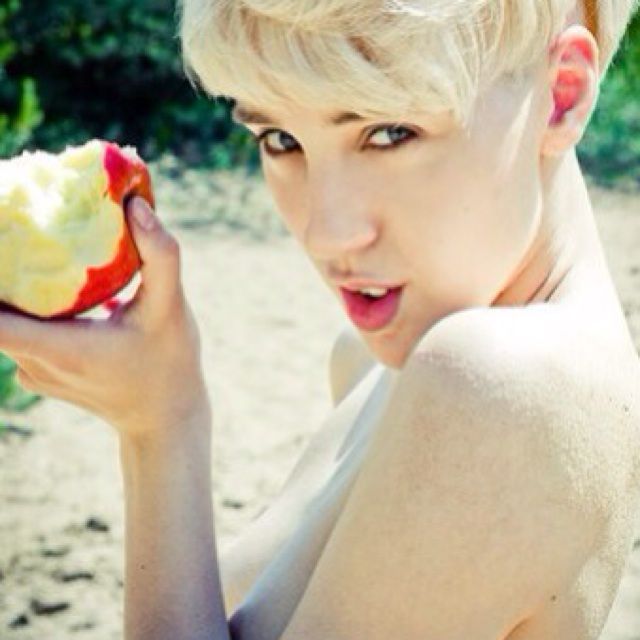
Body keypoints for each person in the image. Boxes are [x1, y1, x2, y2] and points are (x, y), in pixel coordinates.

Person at [2, 0, 639, 638]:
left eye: (389, 132)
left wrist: (159, 428)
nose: (325, 232)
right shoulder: (373, 364)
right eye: (279, 139)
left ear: (561, 94)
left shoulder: (495, 388)